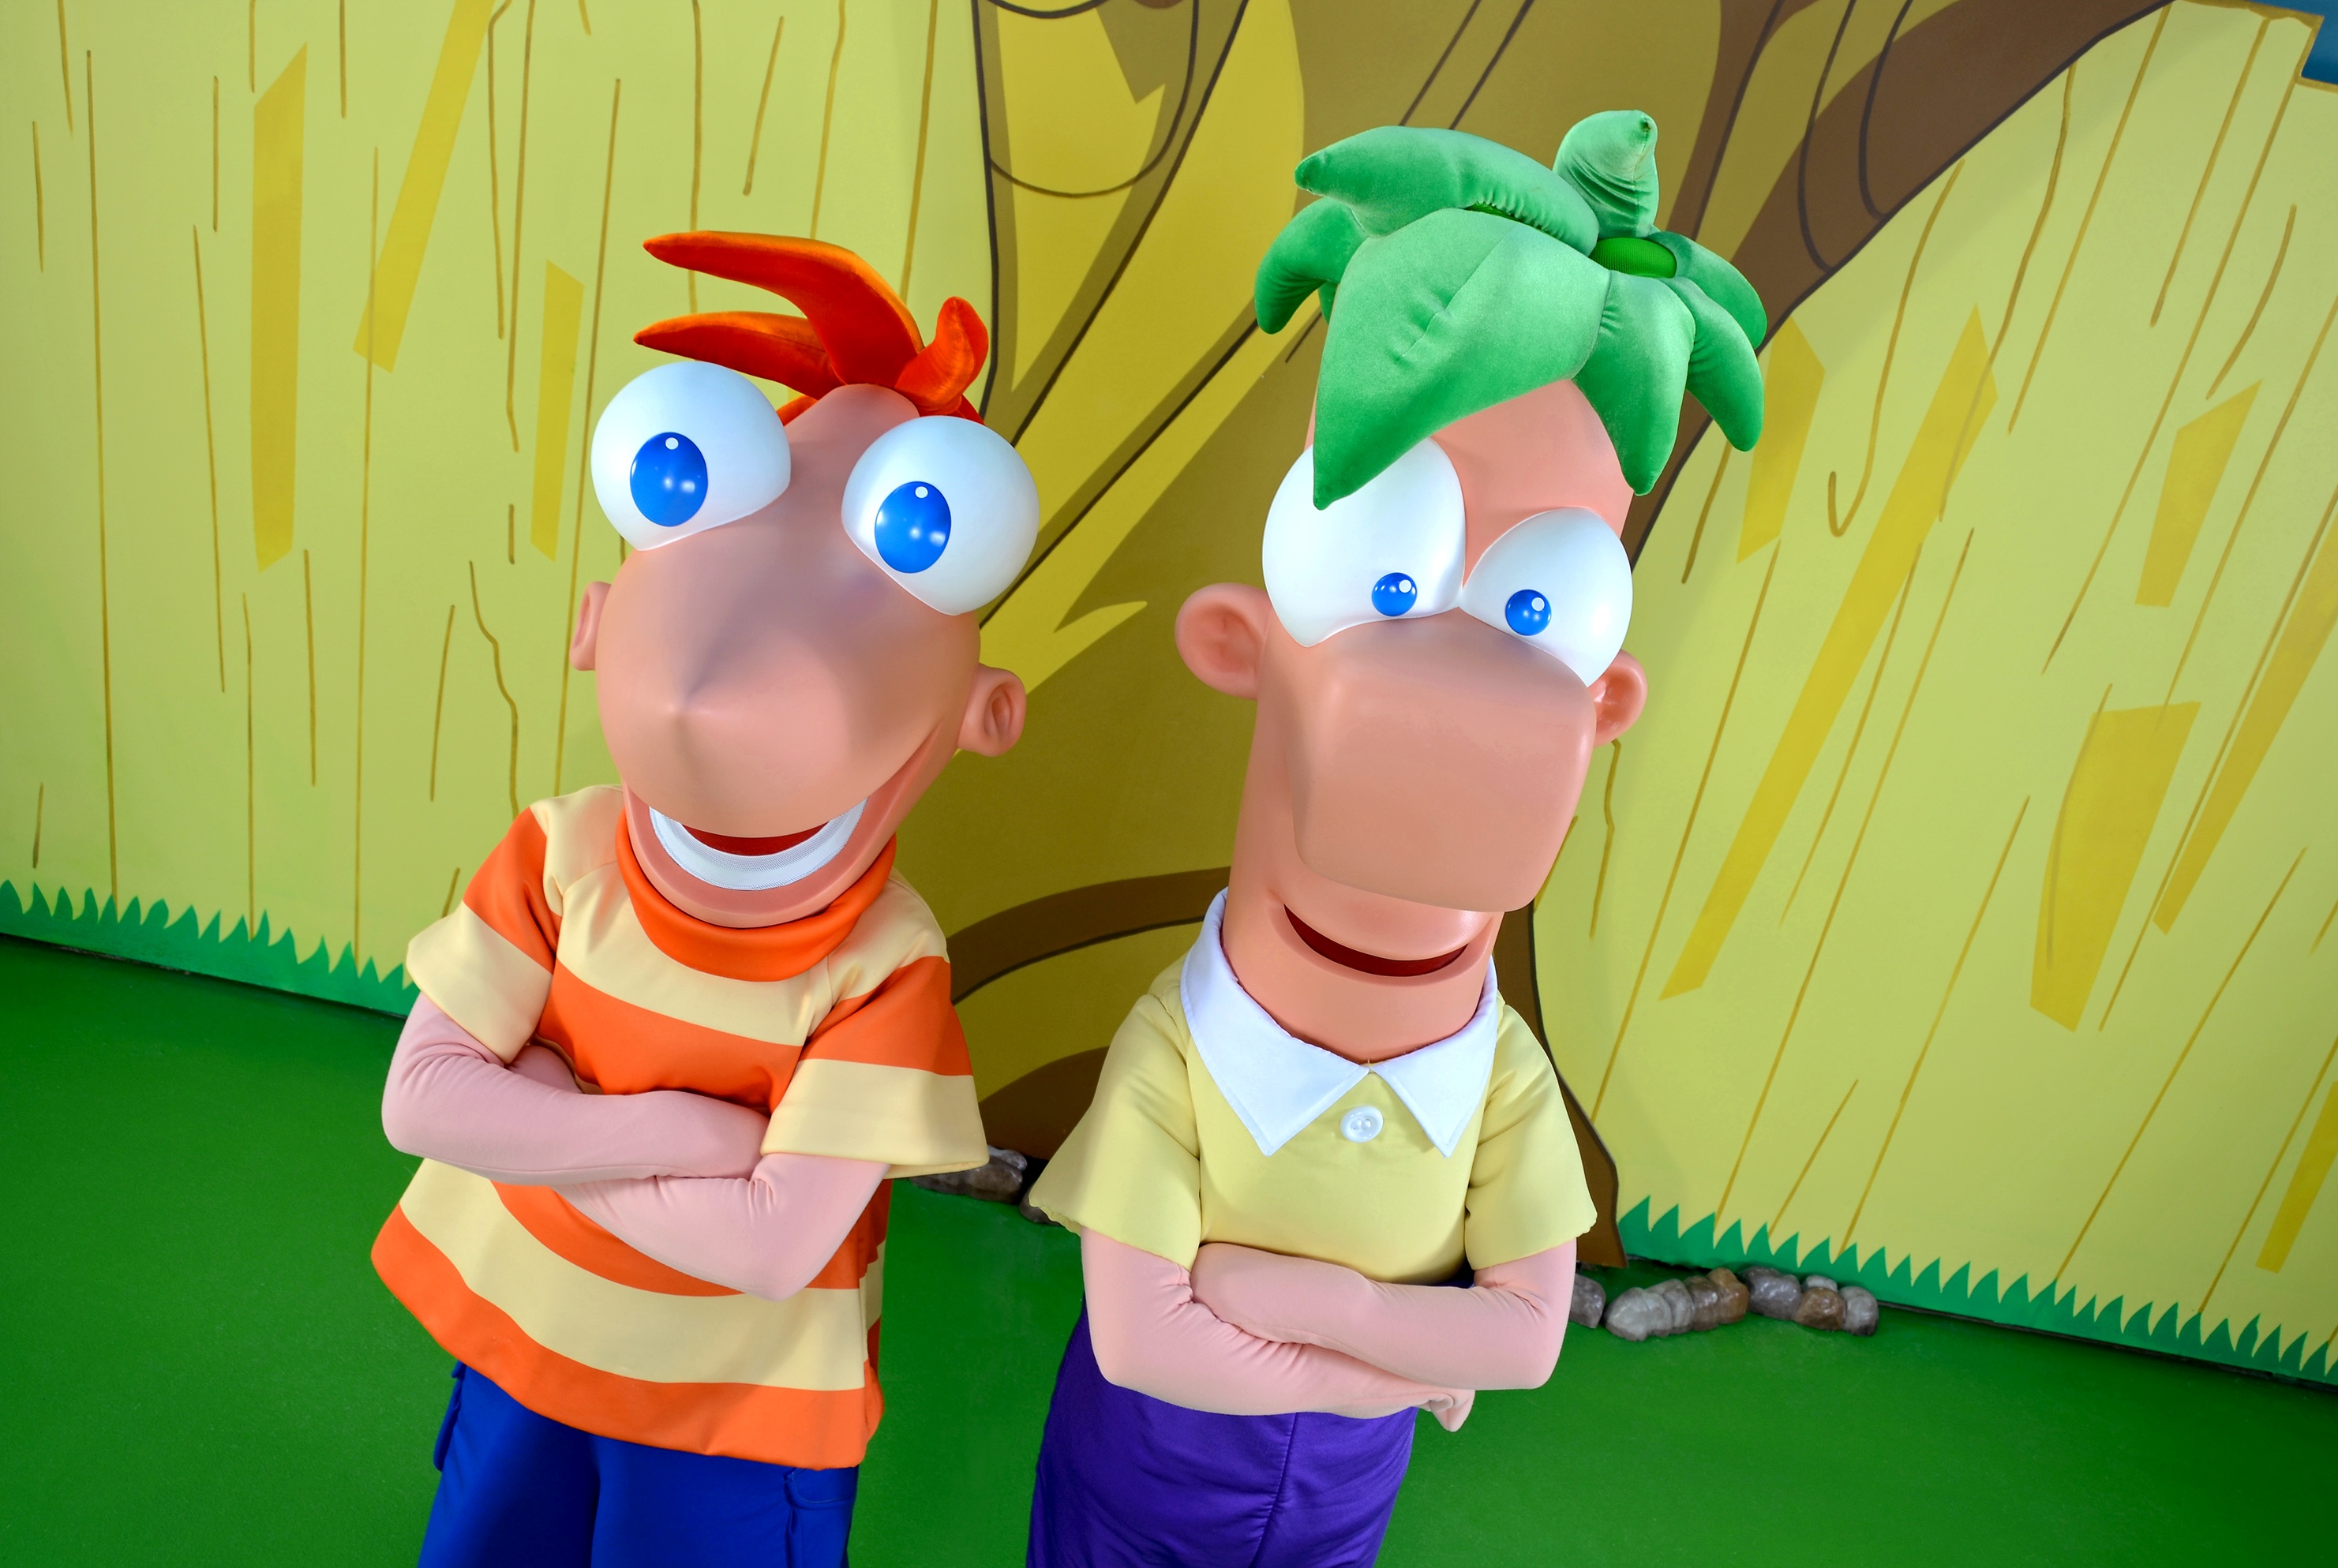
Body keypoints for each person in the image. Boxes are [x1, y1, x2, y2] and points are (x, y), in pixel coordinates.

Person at [1025, 114, 1765, 1566]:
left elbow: (1528, 1341)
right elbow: (1143, 1339)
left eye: (1538, 608)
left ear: (1602, 706)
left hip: (1337, 1515)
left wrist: (1311, 1305)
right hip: (1133, 1490)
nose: (1455, 715)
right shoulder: (1175, 1048)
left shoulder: (1498, 1076)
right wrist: (1410, 1361)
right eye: (1381, 578)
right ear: (1241, 645)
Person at [372, 233, 1037, 1568]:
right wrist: (691, 1132)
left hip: (731, 1424)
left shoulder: (885, 963)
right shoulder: (561, 852)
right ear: (595, 625)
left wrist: (542, 1122)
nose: (712, 707)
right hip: (524, 1353)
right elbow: (420, 1104)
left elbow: (774, 1244)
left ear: (985, 714)